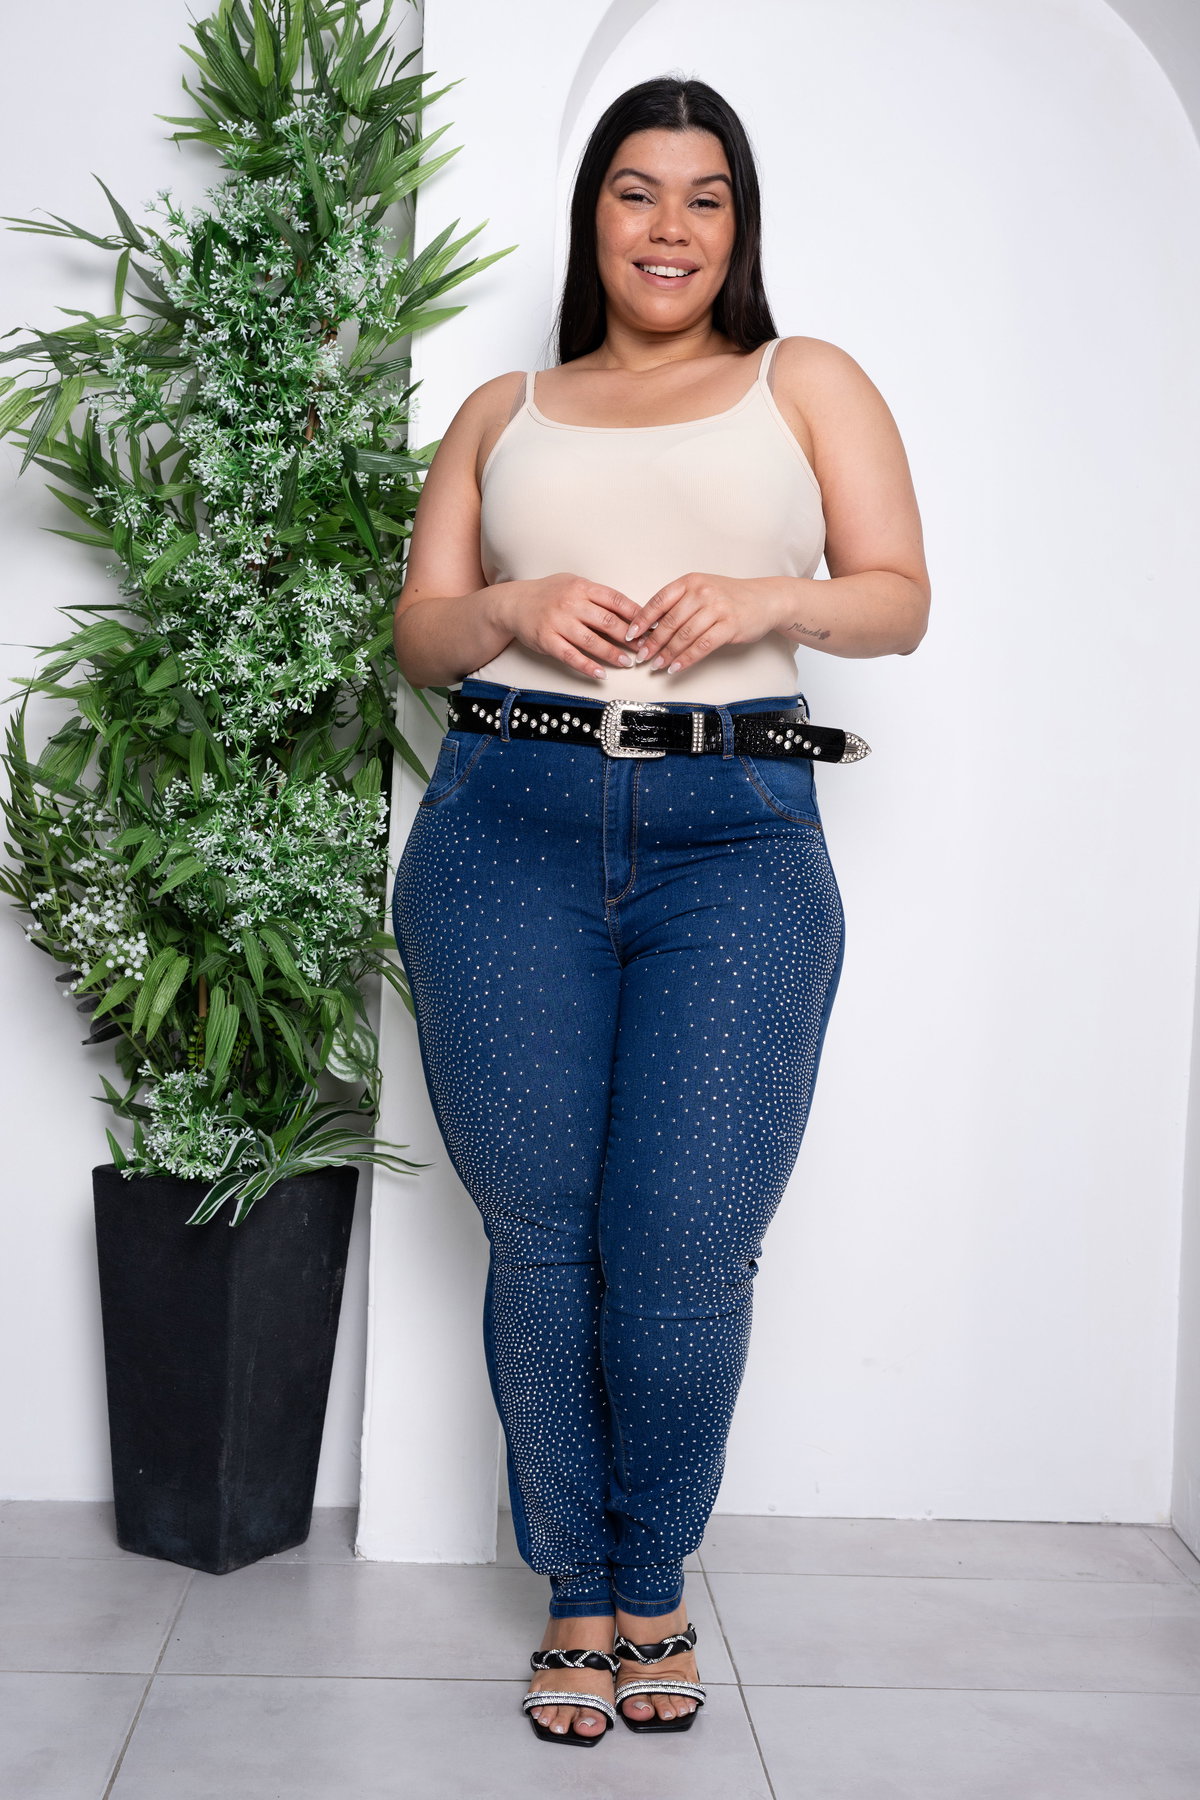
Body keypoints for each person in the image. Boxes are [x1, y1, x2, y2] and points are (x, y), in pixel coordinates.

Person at [390, 74, 929, 1747]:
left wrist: (769, 598)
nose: (671, 227)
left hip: (738, 838)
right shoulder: (502, 409)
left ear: (738, 226)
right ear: (594, 217)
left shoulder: (802, 379)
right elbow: (420, 636)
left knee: (685, 1250)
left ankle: (652, 1574)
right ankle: (577, 1595)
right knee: (543, 1239)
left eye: (706, 197)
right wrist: (510, 605)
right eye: (638, 191)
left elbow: (899, 600)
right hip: (506, 828)